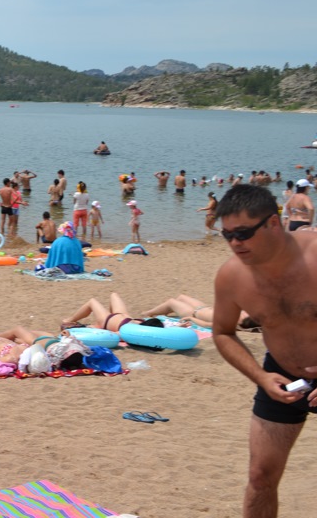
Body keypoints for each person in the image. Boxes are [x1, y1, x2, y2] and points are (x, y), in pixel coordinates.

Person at [210, 184, 317, 516]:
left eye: (243, 233)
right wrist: (260, 376)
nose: (235, 243)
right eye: (227, 235)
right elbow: (222, 333)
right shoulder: (231, 277)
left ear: (273, 223)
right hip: (282, 376)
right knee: (260, 477)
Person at [139, 294, 258, 330]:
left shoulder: (230, 322)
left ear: (241, 323)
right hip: (203, 307)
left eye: (244, 315)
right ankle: (164, 311)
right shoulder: (242, 315)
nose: (244, 313)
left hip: (192, 313)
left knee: (171, 302)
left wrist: (191, 319)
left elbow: (206, 324)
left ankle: (149, 313)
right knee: (181, 297)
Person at [61, 292, 164, 332]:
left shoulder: (130, 332)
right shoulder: (141, 323)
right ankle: (100, 322)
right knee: (113, 295)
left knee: (92, 302)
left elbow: (114, 336)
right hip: (121, 315)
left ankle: (70, 319)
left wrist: (100, 328)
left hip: (106, 320)